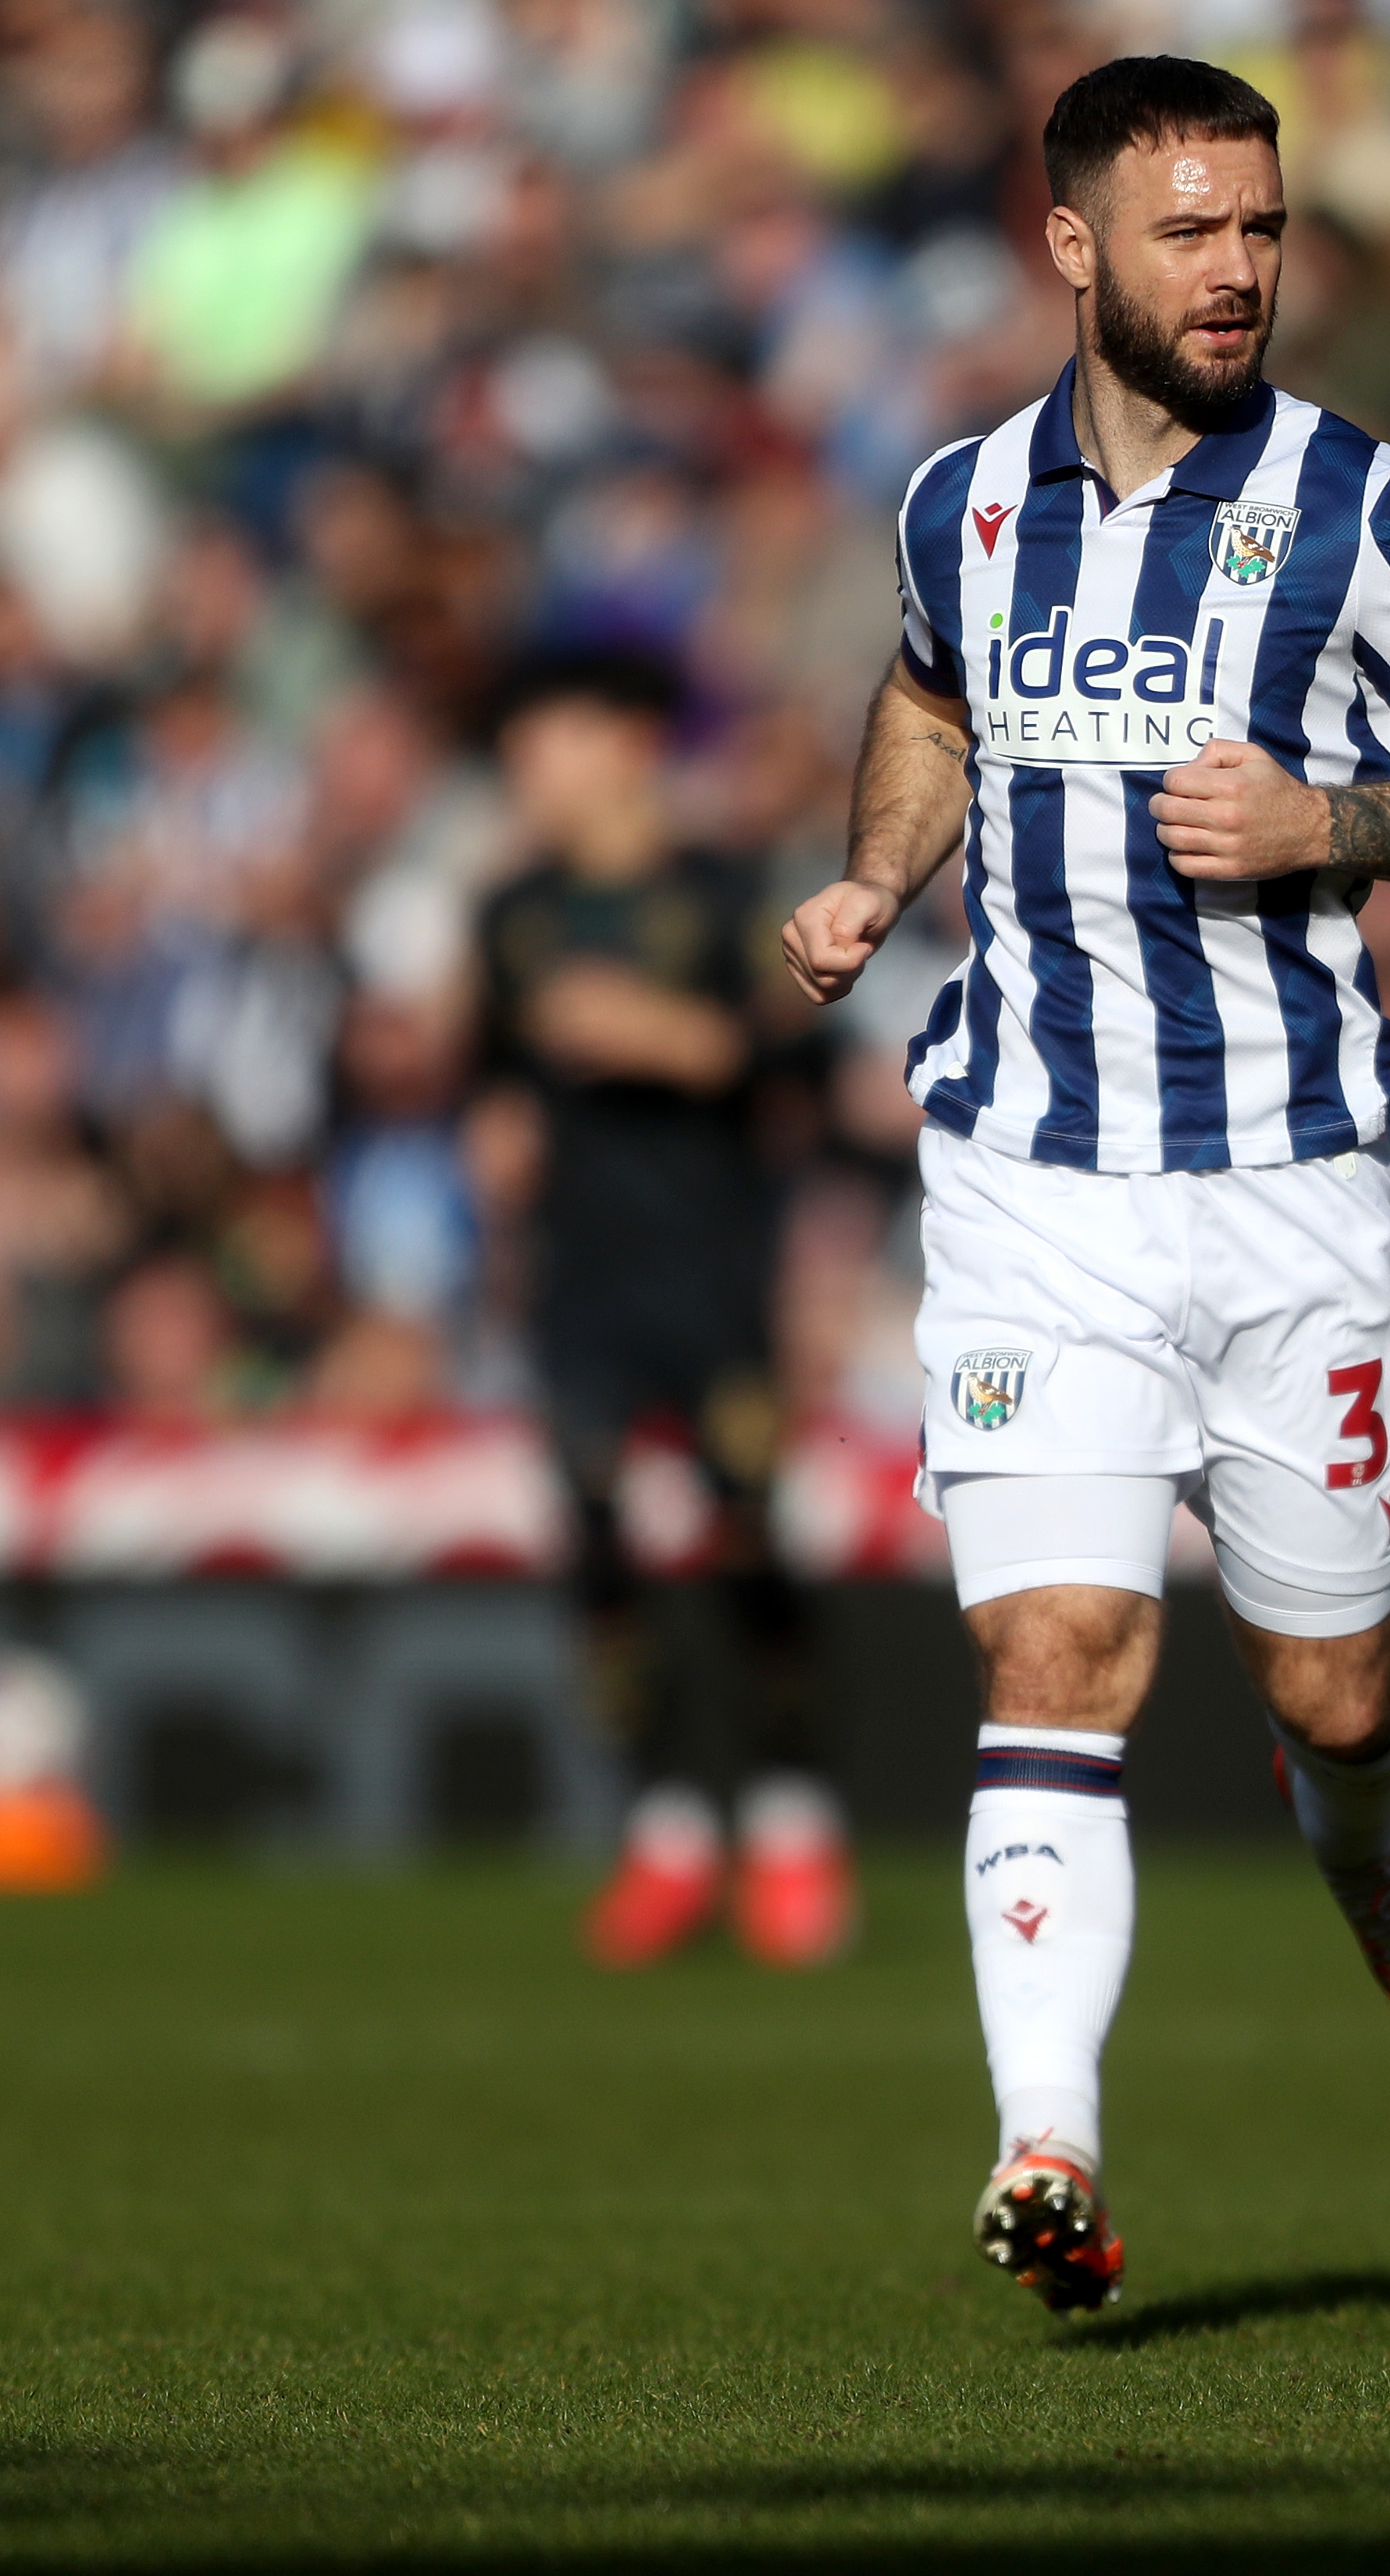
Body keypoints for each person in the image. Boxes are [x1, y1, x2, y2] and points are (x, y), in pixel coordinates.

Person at [777, 56, 1390, 2314]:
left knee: (1326, 1686)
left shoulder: (1350, 498)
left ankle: (1366, 1836)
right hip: (1032, 1169)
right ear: (1074, 248)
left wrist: (1336, 825)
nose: (1237, 270)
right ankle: (1050, 2143)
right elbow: (932, 700)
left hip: (1288, 1180)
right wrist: (873, 876)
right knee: (1062, 1648)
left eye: (1261, 228)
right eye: (1190, 232)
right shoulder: (961, 500)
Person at [473, 654, 853, 1972]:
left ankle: (794, 1818)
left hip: (711, 1268)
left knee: (741, 1539)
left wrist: (662, 1036)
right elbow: (491, 1073)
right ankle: (670, 1825)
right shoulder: (511, 911)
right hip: (579, 1276)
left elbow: (800, 1055)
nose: (531, 761)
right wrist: (495, 1132)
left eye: (553, 730)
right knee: (595, 1544)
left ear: (630, 743)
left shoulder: (726, 889)